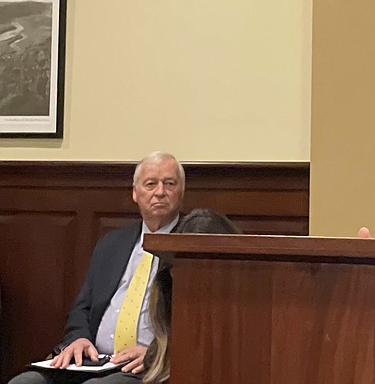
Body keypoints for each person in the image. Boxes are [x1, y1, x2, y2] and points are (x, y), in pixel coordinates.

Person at [7, 153, 185, 384]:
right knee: (24, 382)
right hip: (96, 360)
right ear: (135, 193)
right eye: (150, 184)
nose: (160, 192)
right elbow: (82, 309)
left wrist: (157, 354)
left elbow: (202, 325)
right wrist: (78, 338)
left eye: (169, 183)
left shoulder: (194, 246)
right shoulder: (112, 244)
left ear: (181, 191)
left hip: (149, 365)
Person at [100, 209, 242, 384]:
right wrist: (156, 354)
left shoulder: (248, 304)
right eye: (182, 267)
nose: (194, 280)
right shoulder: (166, 285)